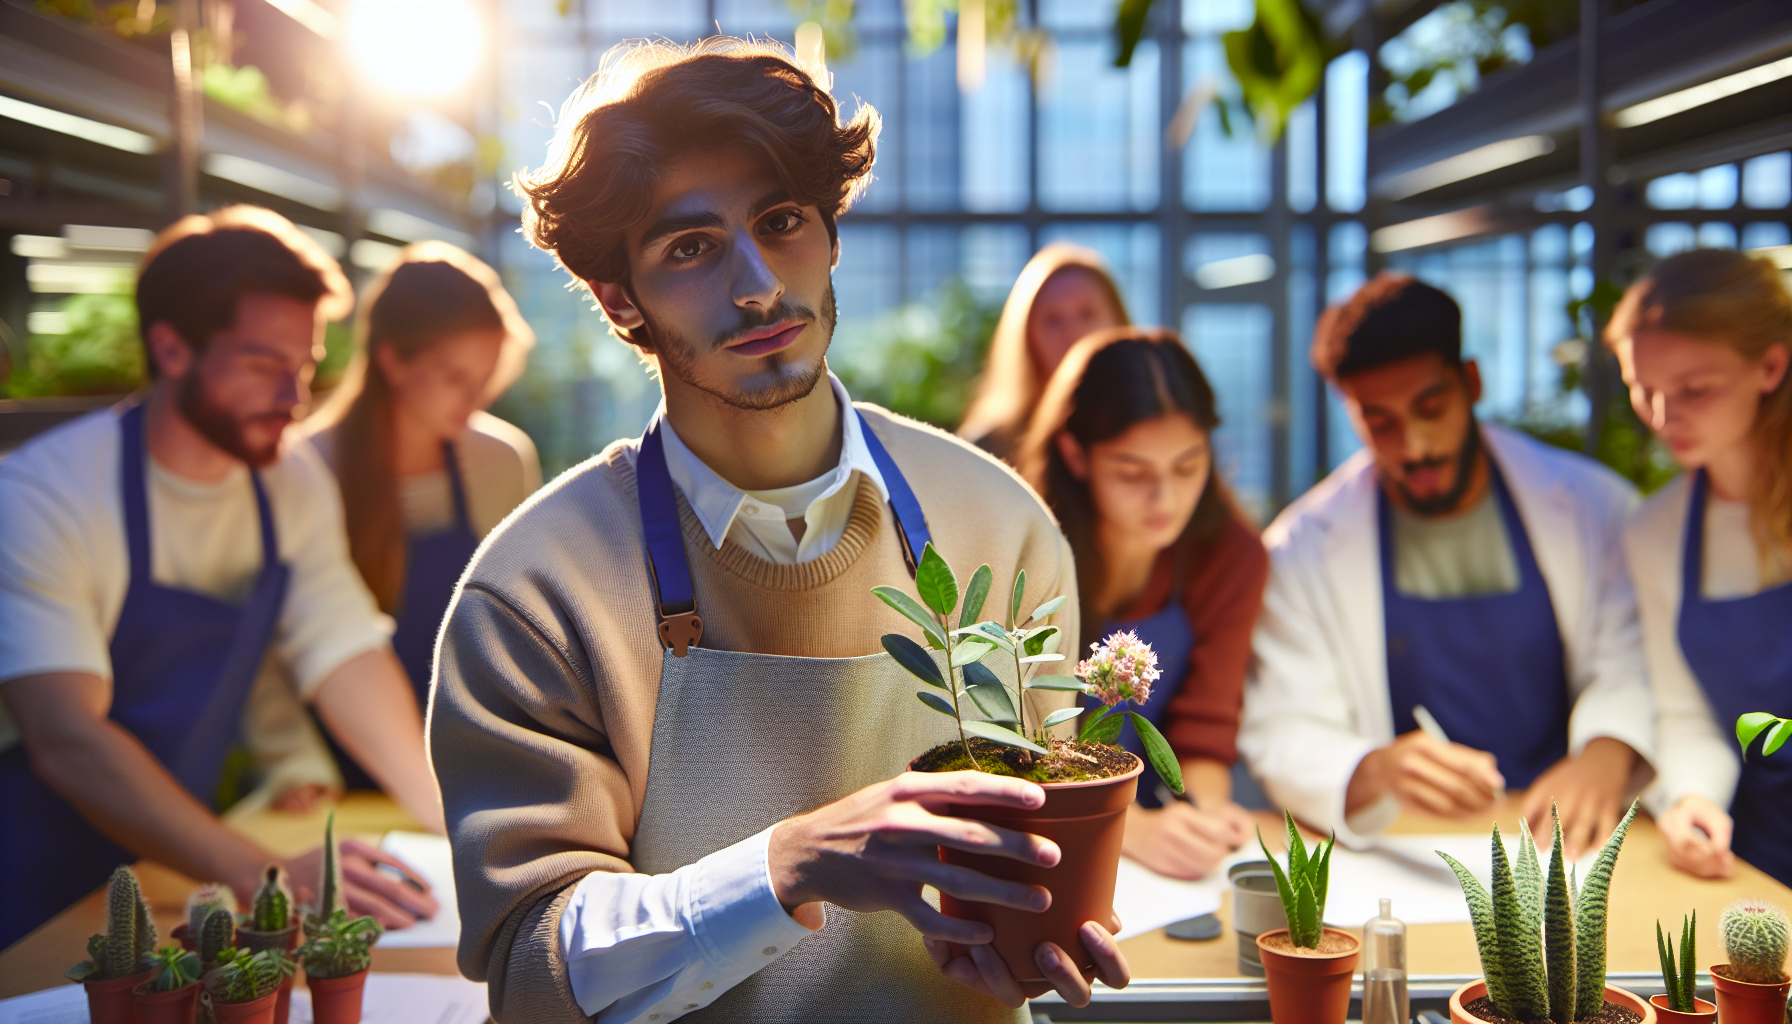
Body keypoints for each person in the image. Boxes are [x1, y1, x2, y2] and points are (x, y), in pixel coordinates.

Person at [429, 38, 1130, 1024]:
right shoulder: (537, 588)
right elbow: (535, 965)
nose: (757, 284)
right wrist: (786, 864)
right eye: (690, 247)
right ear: (617, 297)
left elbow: (1037, 852)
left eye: (781, 221)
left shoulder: (1000, 523)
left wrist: (1029, 936)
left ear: (831, 234)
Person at [0, 206, 443, 948]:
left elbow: (346, 652)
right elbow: (66, 734)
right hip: (29, 874)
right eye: (265, 365)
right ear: (172, 349)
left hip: (172, 865)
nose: (294, 398)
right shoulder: (43, 495)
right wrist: (260, 875)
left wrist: (454, 817)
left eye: (302, 366)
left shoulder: (287, 479)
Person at [1238, 273, 1655, 856]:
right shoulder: (1301, 546)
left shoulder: (1594, 506)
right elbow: (1281, 725)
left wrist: (1605, 756)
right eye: (1379, 421)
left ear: (1472, 382)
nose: (1414, 446)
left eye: (1430, 407)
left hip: (1567, 838)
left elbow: (1637, 657)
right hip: (1412, 846)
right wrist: (1375, 770)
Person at [1017, 329, 1267, 880]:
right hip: (1042, 833)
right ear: (1075, 454)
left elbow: (1206, 723)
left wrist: (1199, 813)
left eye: (1187, 465)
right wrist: (1127, 829)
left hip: (1153, 834)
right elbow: (1014, 745)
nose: (1168, 499)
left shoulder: (1229, 554)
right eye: (1133, 473)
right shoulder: (1021, 548)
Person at [298, 243, 538, 790]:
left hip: (472, 764)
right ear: (392, 360)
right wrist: (295, 764)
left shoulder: (501, 460)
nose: (476, 397)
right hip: (332, 777)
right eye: (454, 376)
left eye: (486, 375)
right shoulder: (304, 467)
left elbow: (515, 627)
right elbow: (274, 649)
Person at [1611, 249, 1792, 887]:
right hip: (1758, 861)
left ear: (1770, 365)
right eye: (1644, 389)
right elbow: (1688, 713)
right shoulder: (1656, 532)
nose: (1663, 418)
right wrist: (1693, 799)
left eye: (1694, 390)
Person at [958, 243, 1129, 460]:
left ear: (1118, 322)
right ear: (1026, 336)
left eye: (1087, 314)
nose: (1071, 333)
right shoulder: (986, 451)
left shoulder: (1150, 428)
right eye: (1052, 320)